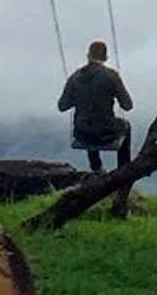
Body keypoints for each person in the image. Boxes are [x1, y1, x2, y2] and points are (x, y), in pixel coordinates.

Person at [58, 40, 136, 216]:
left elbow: (62, 106)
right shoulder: (111, 76)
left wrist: (79, 97)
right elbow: (127, 105)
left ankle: (97, 167)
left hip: (82, 133)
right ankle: (123, 172)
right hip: (106, 132)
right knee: (126, 126)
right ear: (105, 57)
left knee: (87, 125)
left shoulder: (75, 77)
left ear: (88, 56)